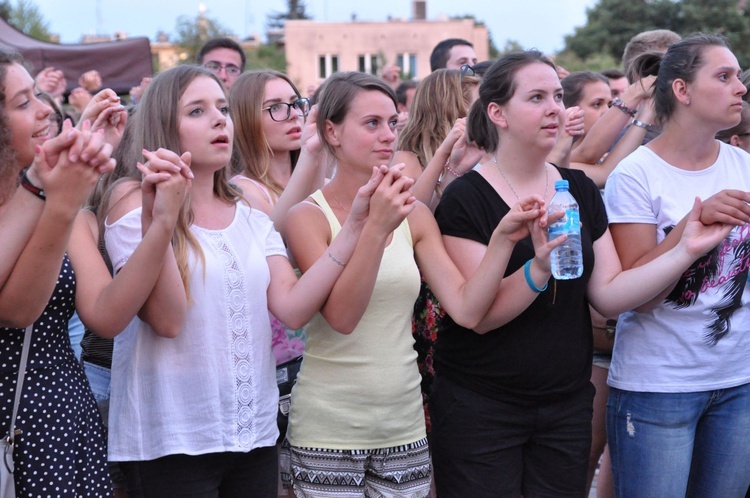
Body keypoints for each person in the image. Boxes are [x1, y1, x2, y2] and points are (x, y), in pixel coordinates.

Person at [427, 50, 732, 498]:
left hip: (565, 403)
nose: (554, 108)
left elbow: (608, 295)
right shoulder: (466, 198)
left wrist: (683, 250)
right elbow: (481, 314)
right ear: (497, 113)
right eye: (535, 98)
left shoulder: (579, 189)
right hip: (482, 405)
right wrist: (540, 266)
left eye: (555, 95)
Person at [102, 64, 384, 497]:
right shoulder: (131, 201)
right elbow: (167, 320)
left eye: (223, 108)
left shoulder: (251, 217)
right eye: (197, 111)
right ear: (164, 126)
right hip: (174, 437)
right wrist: (162, 217)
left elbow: (292, 307)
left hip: (251, 432)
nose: (219, 120)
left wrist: (356, 227)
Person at [282, 71, 550, 497]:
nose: (388, 135)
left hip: (403, 421)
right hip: (330, 426)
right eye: (371, 123)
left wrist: (513, 247)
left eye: (392, 122)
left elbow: (465, 308)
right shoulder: (307, 217)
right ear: (331, 131)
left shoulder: (415, 215)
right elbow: (342, 317)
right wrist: (373, 230)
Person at [0, 49, 181, 497]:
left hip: (61, 414)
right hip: (12, 416)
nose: (46, 108)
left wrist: (158, 226)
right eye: (23, 103)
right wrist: (54, 194)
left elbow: (107, 316)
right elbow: (18, 310)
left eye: (40, 94)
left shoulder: (64, 206)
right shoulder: (52, 202)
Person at [604, 34, 750, 497]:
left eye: (738, 77)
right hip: (659, 385)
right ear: (682, 91)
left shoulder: (743, 164)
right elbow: (637, 297)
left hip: (740, 381)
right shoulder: (636, 173)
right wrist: (691, 224)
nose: (740, 88)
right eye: (724, 77)